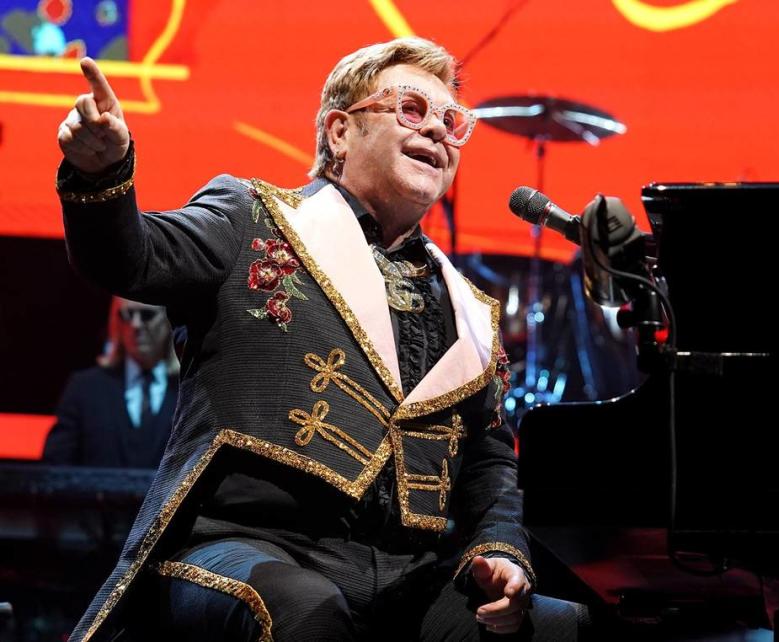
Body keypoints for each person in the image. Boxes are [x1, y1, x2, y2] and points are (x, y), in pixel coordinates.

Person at [56, 38, 586, 640]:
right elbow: (129, 259)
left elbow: (489, 463)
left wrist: (503, 552)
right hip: (240, 549)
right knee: (303, 609)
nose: (438, 131)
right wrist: (100, 173)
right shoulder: (252, 217)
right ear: (339, 132)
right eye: (411, 109)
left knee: (560, 626)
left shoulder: (470, 310)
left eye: (451, 121)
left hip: (404, 576)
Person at [43, 297, 179, 468]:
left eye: (147, 315)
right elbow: (55, 468)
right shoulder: (84, 389)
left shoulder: (190, 391)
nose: (135, 325)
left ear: (170, 320)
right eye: (127, 315)